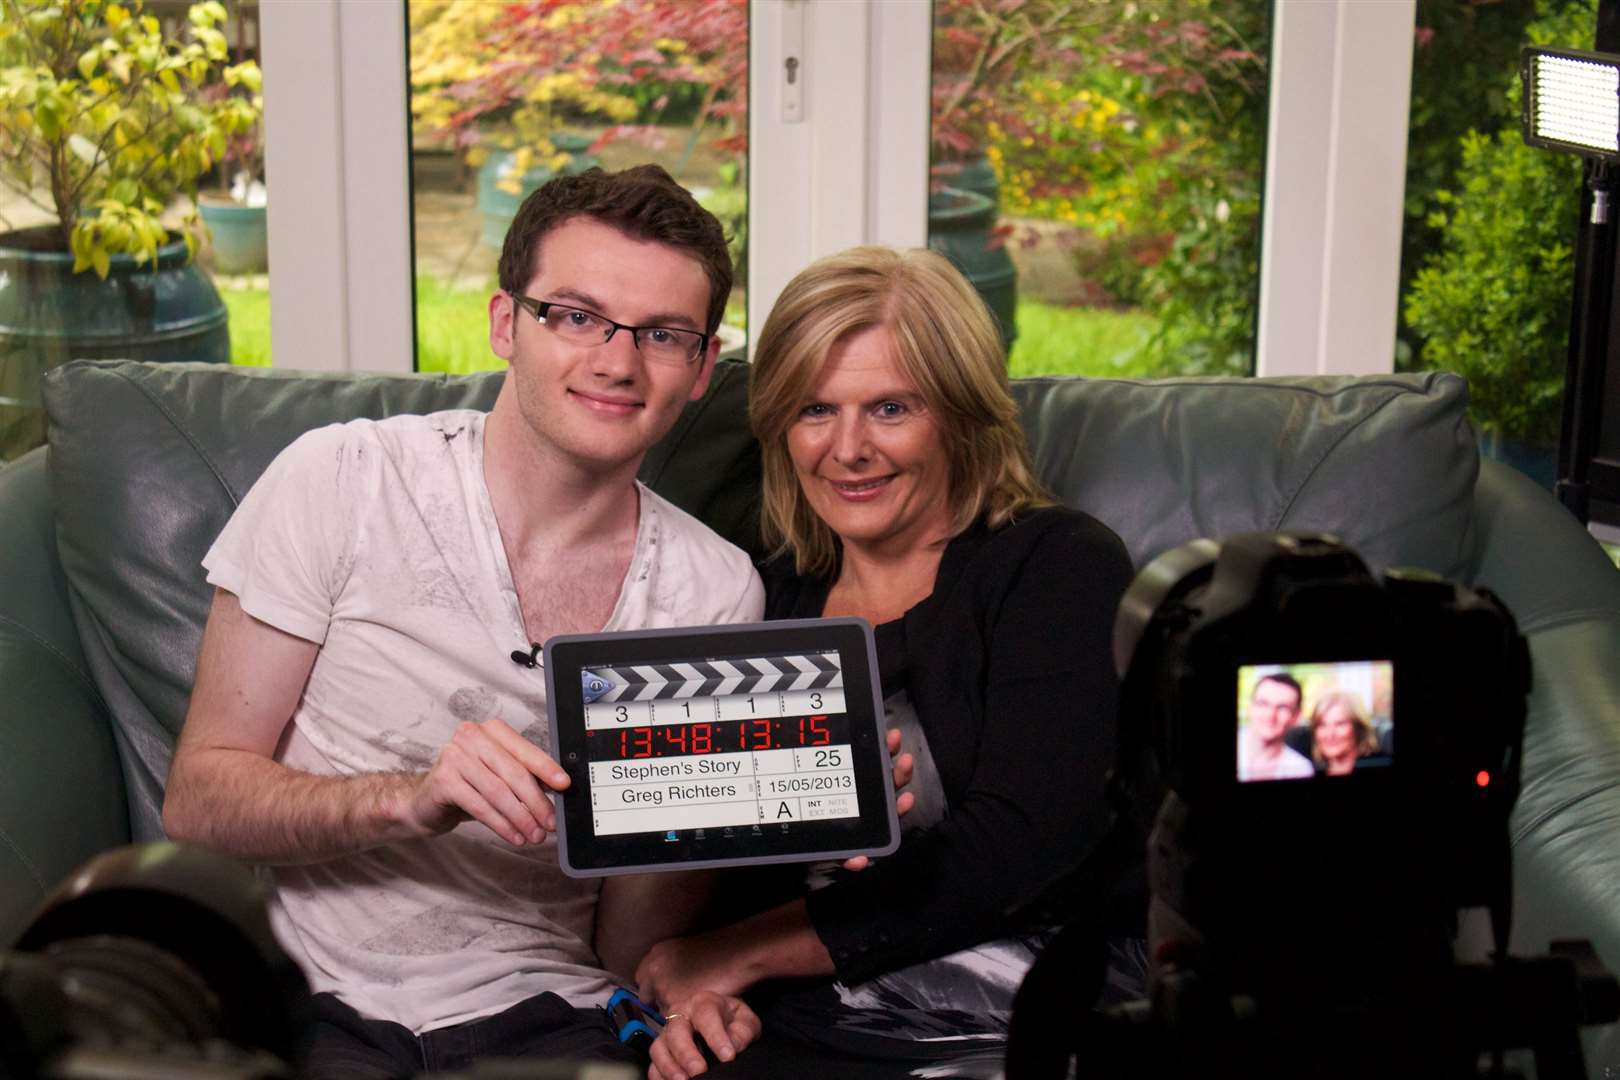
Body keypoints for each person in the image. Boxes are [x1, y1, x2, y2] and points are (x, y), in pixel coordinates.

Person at [161, 165, 770, 1078]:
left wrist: (733, 811)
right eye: (574, 315)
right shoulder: (343, 476)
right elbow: (199, 800)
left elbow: (626, 944)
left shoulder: (715, 595)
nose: (615, 360)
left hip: (550, 1014)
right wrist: (411, 798)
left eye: (663, 335)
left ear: (699, 370)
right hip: (312, 1003)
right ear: (503, 324)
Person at [636, 245, 1136, 1080]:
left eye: (892, 408)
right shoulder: (763, 602)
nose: (848, 449)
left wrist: (741, 954)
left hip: (1033, 999)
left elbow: (1025, 845)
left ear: (962, 411)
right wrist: (710, 991)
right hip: (819, 1006)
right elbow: (723, 865)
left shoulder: (1057, 566)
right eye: (815, 410)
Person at [1236, 673, 1314, 782]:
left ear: (1296, 717)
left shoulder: (1302, 769)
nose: (1270, 715)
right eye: (1263, 704)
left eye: (1282, 707)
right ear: (1250, 707)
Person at [1307, 690, 1381, 776]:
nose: (1330, 734)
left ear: (1358, 727)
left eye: (1340, 724)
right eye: (1322, 725)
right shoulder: (1308, 771)